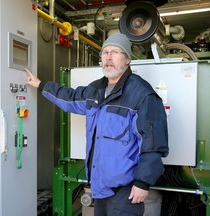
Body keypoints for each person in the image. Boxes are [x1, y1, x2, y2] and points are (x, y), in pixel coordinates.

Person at [25, 33, 169, 216]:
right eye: (105, 53)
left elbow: (153, 145)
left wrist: (142, 182)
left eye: (115, 52)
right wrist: (41, 85)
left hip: (126, 191)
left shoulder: (142, 95)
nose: (108, 57)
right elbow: (70, 98)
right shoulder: (96, 90)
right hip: (100, 187)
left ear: (127, 60)